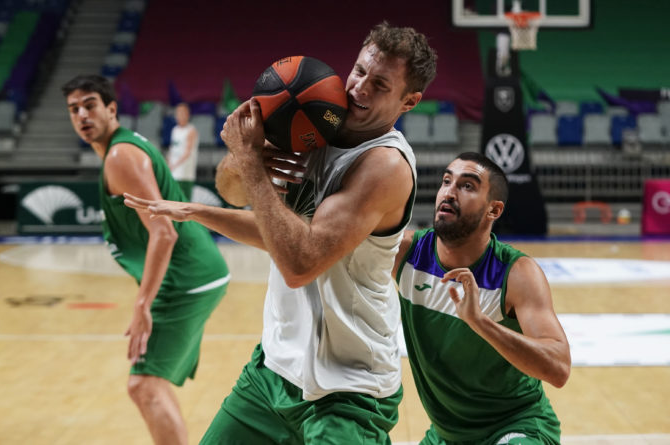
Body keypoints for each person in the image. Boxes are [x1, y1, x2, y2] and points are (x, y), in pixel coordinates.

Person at [124, 21, 437, 444]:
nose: (360, 88)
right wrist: (233, 170)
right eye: (360, 71)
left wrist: (254, 168)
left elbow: (300, 262)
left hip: (349, 389)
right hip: (273, 370)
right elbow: (235, 193)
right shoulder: (314, 121)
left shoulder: (385, 166)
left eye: (380, 83)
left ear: (409, 101)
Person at [61, 75, 230, 445]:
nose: (81, 114)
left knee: (144, 384)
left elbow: (164, 232)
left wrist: (143, 304)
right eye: (74, 109)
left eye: (89, 104)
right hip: (194, 271)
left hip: (186, 276)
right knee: (152, 382)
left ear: (111, 108)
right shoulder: (121, 150)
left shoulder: (121, 155)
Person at [393, 151, 571, 445]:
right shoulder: (405, 253)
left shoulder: (517, 273)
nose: (449, 192)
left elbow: (559, 368)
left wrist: (480, 322)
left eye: (467, 186)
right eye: (446, 181)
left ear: (494, 210)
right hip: (445, 435)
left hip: (515, 429)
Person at [167, 102, 199, 200]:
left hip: (185, 173)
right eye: (178, 113)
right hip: (173, 172)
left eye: (182, 113)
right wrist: (168, 164)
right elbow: (172, 149)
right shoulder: (175, 130)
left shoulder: (191, 130)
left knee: (184, 202)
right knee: (173, 201)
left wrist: (174, 165)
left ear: (187, 115)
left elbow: (187, 153)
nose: (179, 116)